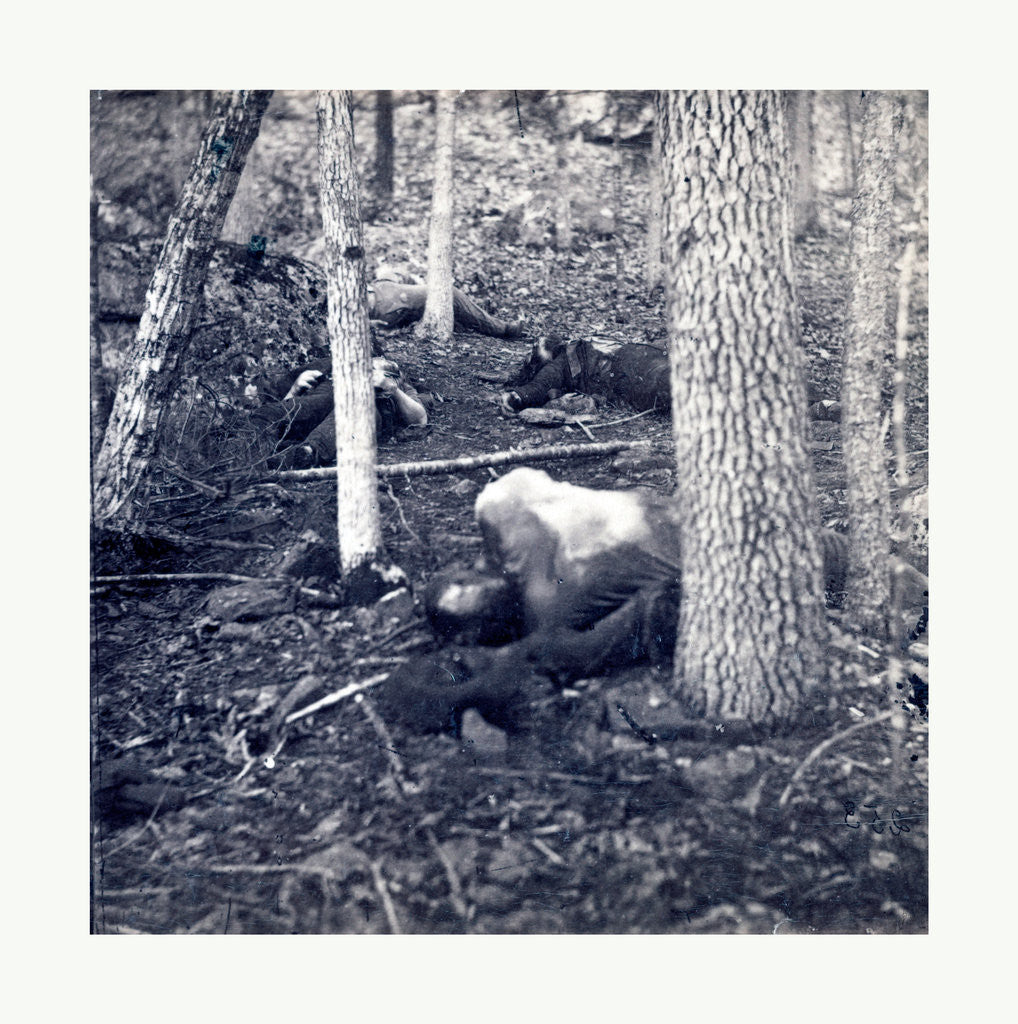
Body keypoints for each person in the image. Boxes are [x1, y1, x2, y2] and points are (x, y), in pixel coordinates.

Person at [383, 468, 927, 735]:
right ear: (484, 626)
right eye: (466, 596)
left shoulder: (504, 521)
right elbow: (572, 645)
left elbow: (515, 488)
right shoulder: (547, 605)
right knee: (883, 576)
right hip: (746, 553)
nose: (472, 578)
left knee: (870, 565)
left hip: (722, 518)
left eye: (461, 577)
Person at [500, 337, 841, 420]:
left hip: (637, 370)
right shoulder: (565, 358)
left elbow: (535, 389)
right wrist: (520, 397)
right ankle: (814, 403)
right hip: (639, 368)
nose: (543, 341)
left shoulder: (575, 349)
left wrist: (518, 398)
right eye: (538, 348)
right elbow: (537, 387)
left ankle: (813, 404)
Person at [250, 354, 428, 469]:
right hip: (321, 403)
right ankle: (250, 448)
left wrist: (392, 389)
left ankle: (303, 454)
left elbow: (420, 419)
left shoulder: (398, 388)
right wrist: (294, 390)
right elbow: (293, 406)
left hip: (354, 412)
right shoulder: (334, 370)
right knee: (269, 415)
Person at [369, 266, 525, 339]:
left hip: (377, 288)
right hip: (383, 302)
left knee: (393, 271)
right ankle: (503, 329)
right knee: (447, 293)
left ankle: (420, 292)